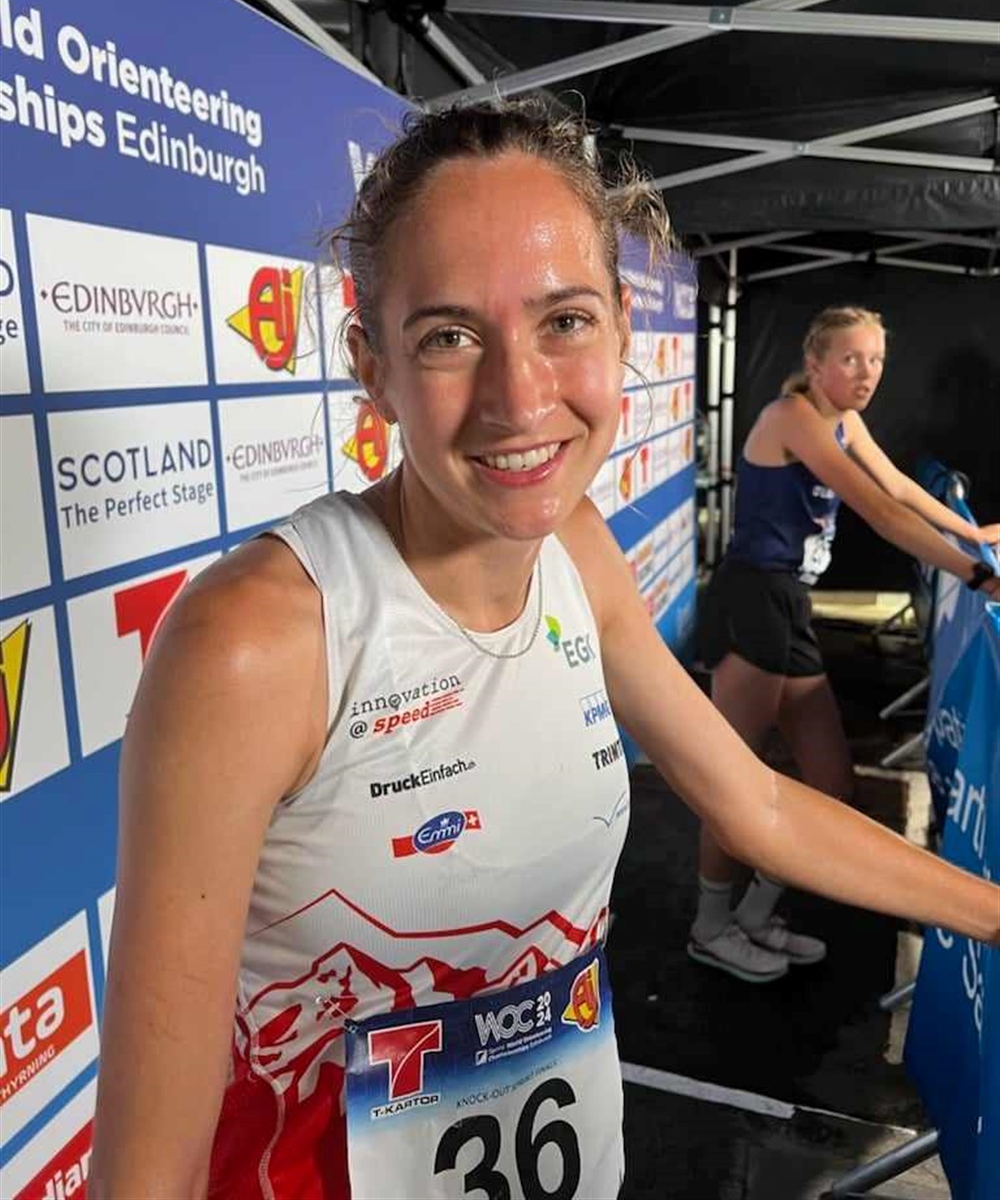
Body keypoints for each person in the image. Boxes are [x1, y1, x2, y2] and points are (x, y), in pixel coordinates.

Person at [90, 100, 1000, 1200]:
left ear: (621, 329)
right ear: (372, 366)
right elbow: (147, 1170)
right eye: (448, 336)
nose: (519, 399)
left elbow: (755, 804)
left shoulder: (577, 546)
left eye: (563, 320)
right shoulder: (255, 639)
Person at [690, 305, 1000, 983]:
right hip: (752, 601)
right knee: (732, 777)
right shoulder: (792, 416)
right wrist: (976, 574)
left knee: (831, 781)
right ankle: (710, 927)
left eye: (877, 360)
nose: (867, 373)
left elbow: (900, 487)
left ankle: (754, 914)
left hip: (789, 606)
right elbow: (881, 512)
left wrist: (975, 534)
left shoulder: (842, 419)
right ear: (815, 363)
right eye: (851, 359)